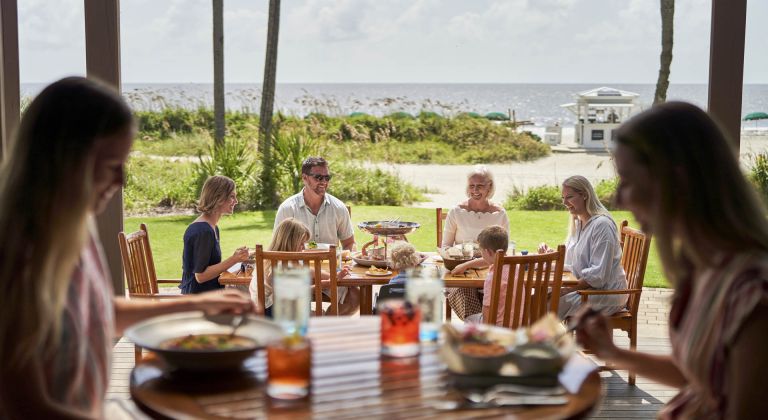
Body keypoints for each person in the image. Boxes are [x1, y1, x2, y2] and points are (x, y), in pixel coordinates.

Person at [0, 77, 254, 418]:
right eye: (110, 166)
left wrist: (200, 303)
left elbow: (99, 311)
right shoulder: (16, 254)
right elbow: (25, 407)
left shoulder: (76, 225)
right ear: (63, 160)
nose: (120, 181)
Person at [575, 102, 768, 419]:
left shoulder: (754, 296)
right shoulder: (701, 268)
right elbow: (699, 376)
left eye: (627, 179)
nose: (618, 198)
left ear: (676, 182)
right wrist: (611, 353)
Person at [538, 175, 627, 319]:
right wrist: (552, 256)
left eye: (569, 197)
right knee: (534, 297)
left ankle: (538, 339)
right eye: (563, 198)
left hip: (605, 294)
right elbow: (573, 263)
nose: (565, 202)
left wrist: (565, 290)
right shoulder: (579, 222)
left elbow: (598, 276)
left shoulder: (602, 225)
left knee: (543, 305)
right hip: (587, 289)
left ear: (584, 195)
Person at [443, 165, 510, 320]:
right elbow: (445, 247)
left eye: (480, 186)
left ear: (490, 187)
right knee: (465, 290)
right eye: (472, 186)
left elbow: (503, 252)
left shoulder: (500, 214)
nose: (475, 190)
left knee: (502, 289)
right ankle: (480, 328)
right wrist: (462, 257)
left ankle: (484, 327)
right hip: (461, 272)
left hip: (490, 272)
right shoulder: (456, 211)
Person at [251, 218, 355, 315]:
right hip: (271, 312)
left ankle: (320, 322)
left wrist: (333, 275)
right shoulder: (278, 265)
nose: (304, 247)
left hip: (265, 310)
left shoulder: (274, 258)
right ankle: (320, 324)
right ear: (290, 243)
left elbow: (309, 271)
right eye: (301, 243)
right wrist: (324, 284)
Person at [180, 175, 250, 294]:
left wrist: (237, 259)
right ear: (219, 198)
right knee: (258, 296)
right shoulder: (203, 231)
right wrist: (234, 259)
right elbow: (201, 276)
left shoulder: (212, 227)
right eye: (232, 196)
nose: (236, 201)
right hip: (202, 299)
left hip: (212, 292)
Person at [274, 156, 355, 250]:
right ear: (304, 178)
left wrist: (346, 260)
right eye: (319, 177)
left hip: (331, 264)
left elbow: (349, 243)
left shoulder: (339, 208)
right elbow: (278, 248)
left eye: (327, 177)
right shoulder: (287, 209)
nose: (324, 182)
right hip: (297, 264)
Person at [465, 225, 521, 326]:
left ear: (488, 252)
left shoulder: (493, 277)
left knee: (469, 319)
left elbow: (487, 314)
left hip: (497, 328)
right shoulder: (516, 268)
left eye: (481, 251)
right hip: (518, 324)